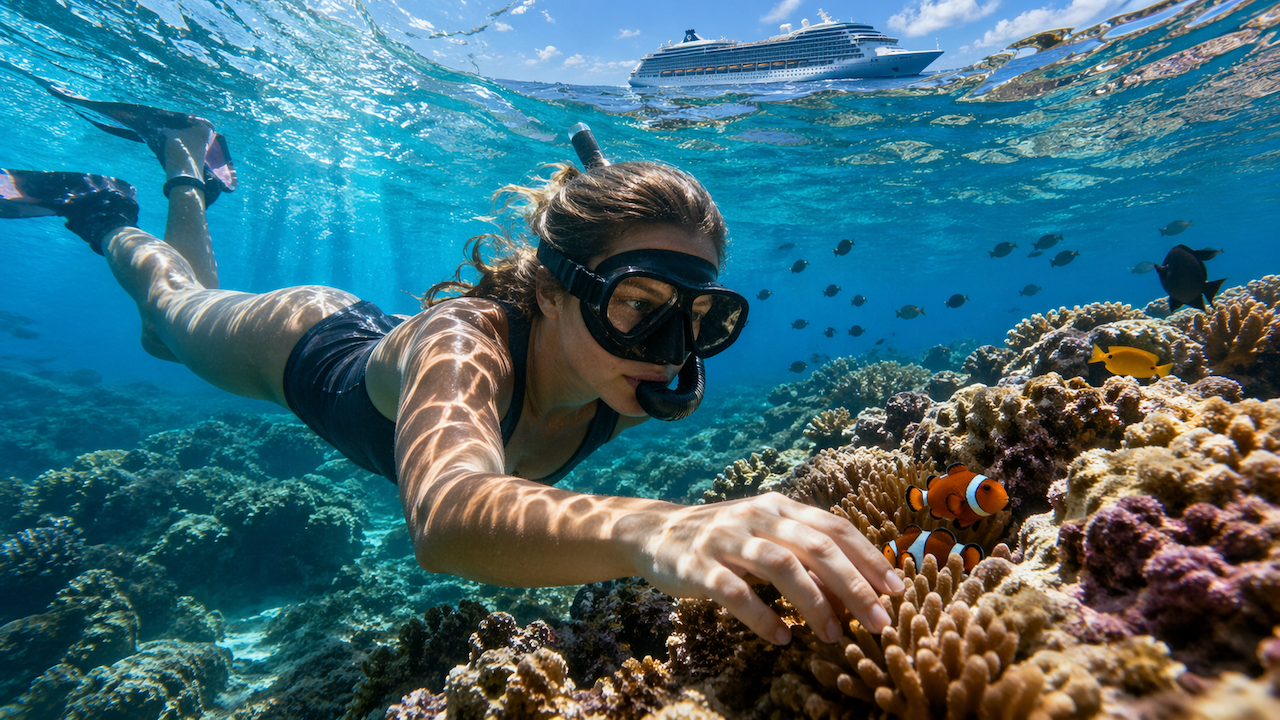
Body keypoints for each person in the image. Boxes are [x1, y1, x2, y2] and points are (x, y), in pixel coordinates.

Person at [0, 88, 904, 647]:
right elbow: (446, 516)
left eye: (699, 319)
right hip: (303, 343)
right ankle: (104, 210)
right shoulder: (464, 339)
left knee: (159, 340)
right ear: (552, 288)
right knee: (171, 314)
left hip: (415, 338)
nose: (672, 352)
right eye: (638, 304)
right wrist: (658, 529)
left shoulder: (626, 376)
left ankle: (188, 171)